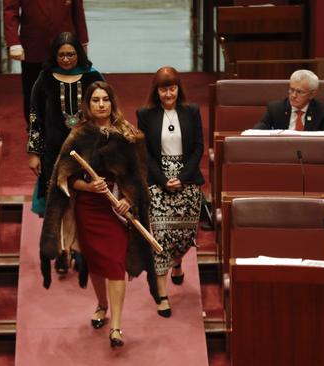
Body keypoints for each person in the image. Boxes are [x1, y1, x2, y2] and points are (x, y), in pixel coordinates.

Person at [40, 81, 156, 348]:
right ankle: (101, 304)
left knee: (115, 262)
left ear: (112, 103)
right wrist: (89, 185)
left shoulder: (130, 135)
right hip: (88, 209)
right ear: (88, 105)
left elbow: (139, 177)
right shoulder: (78, 135)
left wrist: (128, 200)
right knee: (95, 262)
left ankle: (116, 326)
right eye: (96, 100)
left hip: (116, 211)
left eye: (105, 100)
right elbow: (64, 176)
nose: (101, 105)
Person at [28, 32, 104, 273]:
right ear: (55, 55)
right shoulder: (45, 78)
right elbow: (35, 117)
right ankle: (62, 251)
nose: (67, 59)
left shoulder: (93, 77)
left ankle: (81, 250)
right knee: (60, 201)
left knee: (83, 200)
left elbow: (107, 113)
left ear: (78, 54)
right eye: (61, 55)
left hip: (88, 150)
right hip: (53, 153)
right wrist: (34, 153)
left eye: (71, 54)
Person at [136, 66, 204, 318]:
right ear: (156, 90)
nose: (168, 94)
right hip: (158, 181)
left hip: (187, 179)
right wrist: (164, 180)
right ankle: (162, 296)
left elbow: (198, 148)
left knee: (185, 234)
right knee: (162, 237)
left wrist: (182, 178)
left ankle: (178, 262)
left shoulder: (191, 111)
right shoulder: (145, 114)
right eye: (163, 89)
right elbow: (145, 153)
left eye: (172, 88)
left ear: (179, 88)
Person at [3, 0, 88, 130]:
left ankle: (70, 129)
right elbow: (10, 11)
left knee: (69, 89)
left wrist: (83, 41)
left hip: (66, 44)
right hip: (33, 44)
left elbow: (78, 10)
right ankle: (35, 130)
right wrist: (13, 41)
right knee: (34, 92)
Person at [254, 69, 324, 131]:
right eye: (291, 90)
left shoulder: (323, 110)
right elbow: (257, 132)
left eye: (299, 92)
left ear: (312, 94)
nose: (293, 95)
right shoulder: (275, 108)